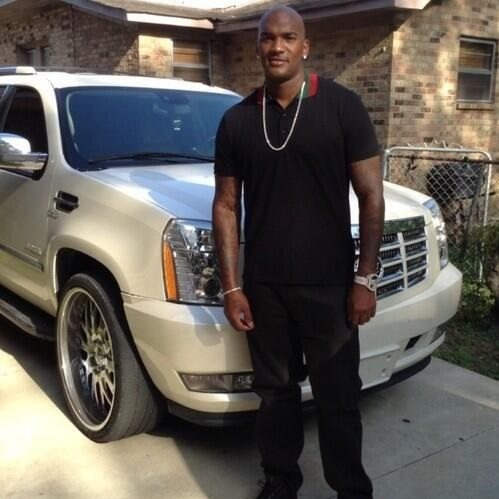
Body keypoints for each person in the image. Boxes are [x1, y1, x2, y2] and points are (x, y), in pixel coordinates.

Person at [212, 5, 384, 499]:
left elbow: (371, 195)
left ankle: (351, 489)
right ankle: (281, 481)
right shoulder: (238, 120)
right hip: (265, 288)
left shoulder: (342, 107)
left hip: (330, 285)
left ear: (305, 46)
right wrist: (232, 288)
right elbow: (226, 205)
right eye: (268, 38)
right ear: (258, 47)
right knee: (274, 395)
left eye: (288, 37)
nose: (277, 46)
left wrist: (364, 279)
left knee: (338, 396)